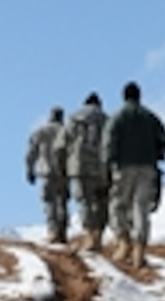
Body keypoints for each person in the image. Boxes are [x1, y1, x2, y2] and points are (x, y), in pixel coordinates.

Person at [103, 81, 165, 268]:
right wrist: (158, 154)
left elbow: (108, 141)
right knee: (141, 207)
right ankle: (139, 250)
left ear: (124, 96)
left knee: (118, 204)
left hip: (123, 166)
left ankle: (123, 241)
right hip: (147, 166)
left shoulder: (117, 117)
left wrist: (108, 163)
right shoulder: (150, 117)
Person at [54, 92, 108, 251]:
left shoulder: (74, 118)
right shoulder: (107, 120)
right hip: (101, 167)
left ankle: (90, 235)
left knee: (85, 200)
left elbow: (60, 145)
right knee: (99, 202)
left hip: (78, 166)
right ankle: (98, 234)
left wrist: (61, 167)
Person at [26, 106, 69, 244]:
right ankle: (62, 232)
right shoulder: (67, 131)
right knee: (62, 202)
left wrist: (30, 169)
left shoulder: (41, 132)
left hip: (46, 172)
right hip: (64, 172)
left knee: (49, 202)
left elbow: (31, 153)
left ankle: (52, 230)